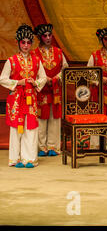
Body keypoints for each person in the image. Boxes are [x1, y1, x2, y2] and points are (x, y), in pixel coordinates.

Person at [0, 24, 47, 168]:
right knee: (16, 128)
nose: (26, 45)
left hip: (30, 98)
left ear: (31, 43)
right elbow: (2, 78)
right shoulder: (11, 60)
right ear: (18, 43)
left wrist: (36, 83)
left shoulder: (36, 60)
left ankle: (29, 159)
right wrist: (17, 82)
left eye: (28, 42)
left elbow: (43, 77)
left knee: (30, 127)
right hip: (16, 99)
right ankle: (15, 159)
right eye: (23, 42)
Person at [31, 23, 68, 157]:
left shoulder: (58, 52)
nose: (48, 38)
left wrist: (57, 77)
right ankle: (42, 147)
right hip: (42, 90)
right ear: (40, 37)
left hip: (55, 89)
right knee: (41, 118)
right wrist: (43, 79)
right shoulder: (34, 53)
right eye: (45, 35)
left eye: (49, 35)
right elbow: (32, 69)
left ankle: (53, 146)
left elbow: (65, 67)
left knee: (55, 118)